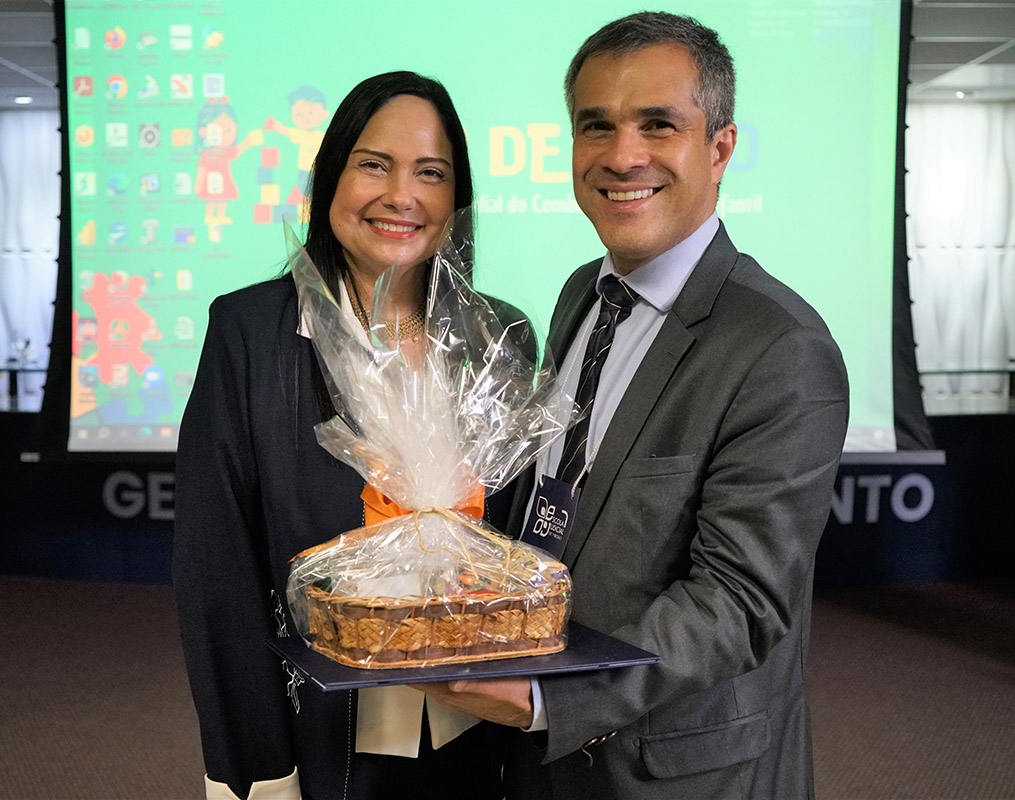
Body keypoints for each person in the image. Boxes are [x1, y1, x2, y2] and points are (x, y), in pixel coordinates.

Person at [417, 12, 850, 799]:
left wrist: (556, 697)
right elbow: (562, 497)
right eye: (597, 126)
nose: (623, 156)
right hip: (541, 752)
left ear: (719, 148)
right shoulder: (583, 292)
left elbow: (741, 601)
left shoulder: (781, 349)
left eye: (658, 125)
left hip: (678, 772)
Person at [174, 72, 516, 800]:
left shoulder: (499, 338)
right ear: (331, 178)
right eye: (373, 164)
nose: (402, 195)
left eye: (431, 173)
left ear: (457, 201)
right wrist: (260, 767)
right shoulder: (251, 335)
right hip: (320, 741)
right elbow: (218, 576)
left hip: (482, 730)